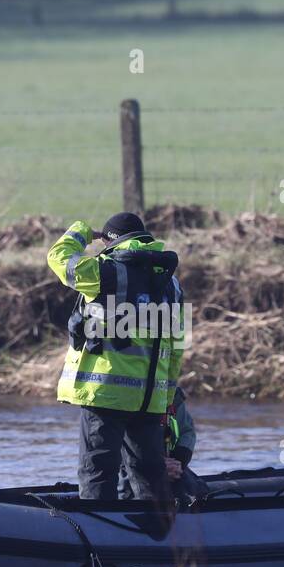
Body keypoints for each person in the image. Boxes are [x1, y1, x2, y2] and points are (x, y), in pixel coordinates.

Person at [47, 211, 185, 501]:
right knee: (149, 476)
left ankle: (99, 534)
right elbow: (176, 349)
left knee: (97, 472)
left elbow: (58, 258)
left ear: (111, 242)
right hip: (150, 400)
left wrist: (83, 231)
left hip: (104, 393)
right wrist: (167, 398)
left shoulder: (105, 271)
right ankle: (155, 537)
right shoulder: (172, 286)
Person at [119, 385, 205, 501]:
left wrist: (177, 461)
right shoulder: (119, 396)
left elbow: (186, 431)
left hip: (166, 466)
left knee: (196, 489)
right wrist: (156, 465)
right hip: (125, 469)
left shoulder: (172, 395)